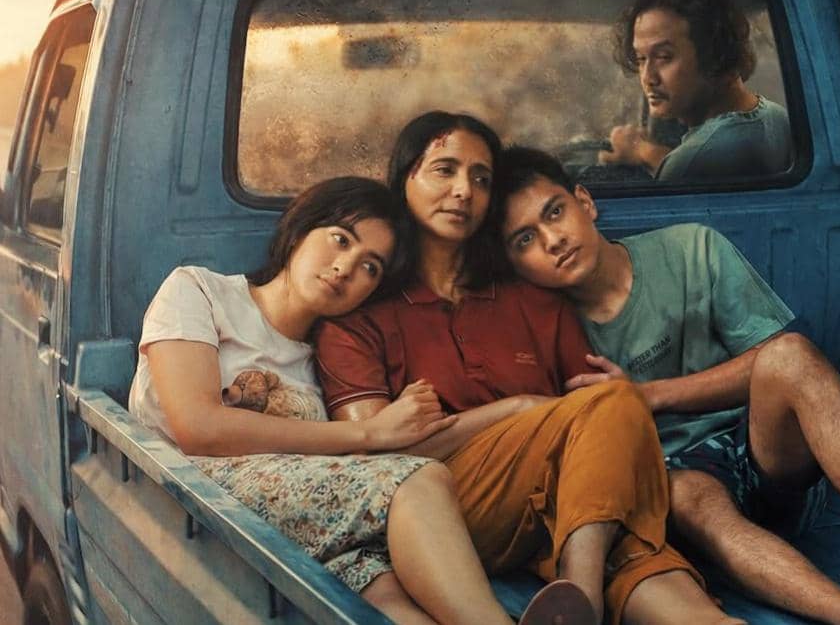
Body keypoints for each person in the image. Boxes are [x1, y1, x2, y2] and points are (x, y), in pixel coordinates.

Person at [493, 145, 840, 625]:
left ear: (584, 202)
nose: (552, 240)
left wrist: (649, 395)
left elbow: (772, 357)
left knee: (790, 355)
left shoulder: (690, 248)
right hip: (676, 491)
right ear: (514, 265)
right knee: (684, 491)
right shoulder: (541, 332)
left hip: (766, 453)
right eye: (525, 240)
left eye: (554, 212)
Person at [314, 112, 742, 625]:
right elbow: (375, 464)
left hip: (563, 509)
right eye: (444, 170)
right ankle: (580, 592)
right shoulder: (359, 317)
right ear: (404, 178)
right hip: (439, 517)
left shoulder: (532, 300)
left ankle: (588, 598)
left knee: (632, 537)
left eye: (480, 179)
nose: (464, 191)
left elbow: (597, 428)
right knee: (611, 407)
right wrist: (514, 409)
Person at [129, 176, 551, 625]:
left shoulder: (330, 359)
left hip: (300, 521)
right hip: (197, 500)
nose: (346, 267)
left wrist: (509, 409)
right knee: (415, 479)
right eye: (341, 239)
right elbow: (198, 427)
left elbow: (349, 466)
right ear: (299, 229)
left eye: (371, 267)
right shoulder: (199, 290)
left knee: (384, 594)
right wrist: (369, 432)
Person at [599, 0, 792, 182]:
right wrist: (644, 151)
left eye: (664, 57)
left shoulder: (690, 163)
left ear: (713, 52)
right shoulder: (777, 117)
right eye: (641, 59)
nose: (647, 78)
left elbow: (693, 164)